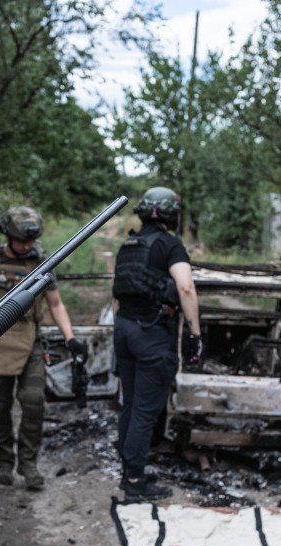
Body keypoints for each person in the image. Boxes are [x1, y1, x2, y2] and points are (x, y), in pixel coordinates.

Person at [0, 205, 86, 490]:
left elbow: (56, 303)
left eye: (31, 241)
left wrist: (70, 337)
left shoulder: (42, 261)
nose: (27, 246)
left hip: (30, 341)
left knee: (34, 401)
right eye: (22, 240)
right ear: (8, 235)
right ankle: (4, 462)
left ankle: (29, 464)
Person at [112, 186, 201, 503]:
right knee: (145, 412)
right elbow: (186, 287)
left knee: (131, 404)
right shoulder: (170, 245)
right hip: (151, 334)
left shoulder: (129, 244)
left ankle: (128, 470)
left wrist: (120, 332)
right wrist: (195, 332)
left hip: (124, 329)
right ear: (171, 215)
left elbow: (116, 294)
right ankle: (135, 479)